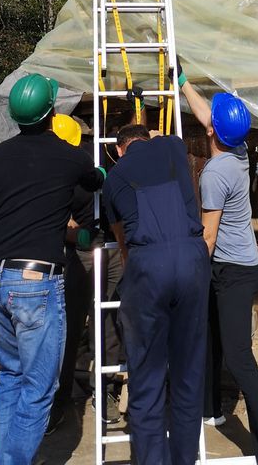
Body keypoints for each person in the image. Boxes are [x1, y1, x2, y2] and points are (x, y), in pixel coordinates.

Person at [0, 73, 106, 465]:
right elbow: (95, 179)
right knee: (39, 387)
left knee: (10, 377)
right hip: (34, 282)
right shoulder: (68, 156)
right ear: (51, 112)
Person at [175, 63, 258, 465]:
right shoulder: (239, 150)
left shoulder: (214, 174)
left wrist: (189, 279)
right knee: (209, 335)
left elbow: (208, 238)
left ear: (214, 133)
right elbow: (208, 117)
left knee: (240, 359)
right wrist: (182, 82)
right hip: (235, 264)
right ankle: (210, 409)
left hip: (232, 271)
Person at [101, 122, 210, 465]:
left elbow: (122, 243)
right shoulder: (173, 148)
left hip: (147, 265)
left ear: (119, 149)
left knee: (147, 376)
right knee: (188, 375)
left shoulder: (113, 179)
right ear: (147, 139)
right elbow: (165, 137)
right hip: (192, 260)